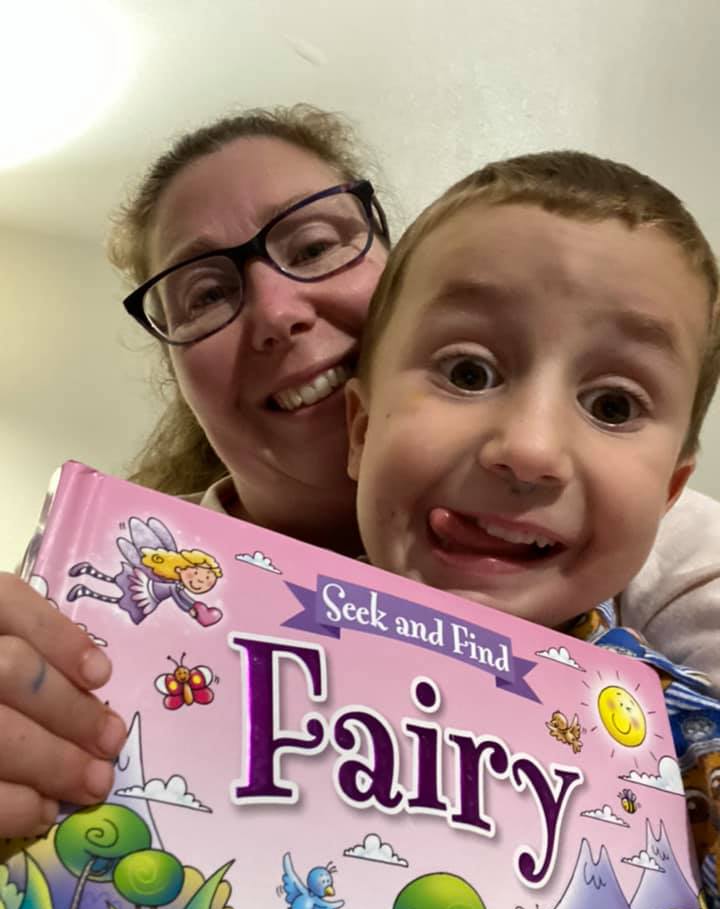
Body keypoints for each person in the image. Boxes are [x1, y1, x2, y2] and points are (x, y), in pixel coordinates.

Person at [0, 105, 718, 841]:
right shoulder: (121, 591)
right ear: (361, 426)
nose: (276, 313)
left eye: (313, 246)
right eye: (206, 294)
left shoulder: (654, 548)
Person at [343, 149, 720, 909]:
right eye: (469, 372)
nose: (530, 448)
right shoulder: (199, 643)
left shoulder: (694, 750)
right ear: (361, 431)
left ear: (669, 493)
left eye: (613, 406)